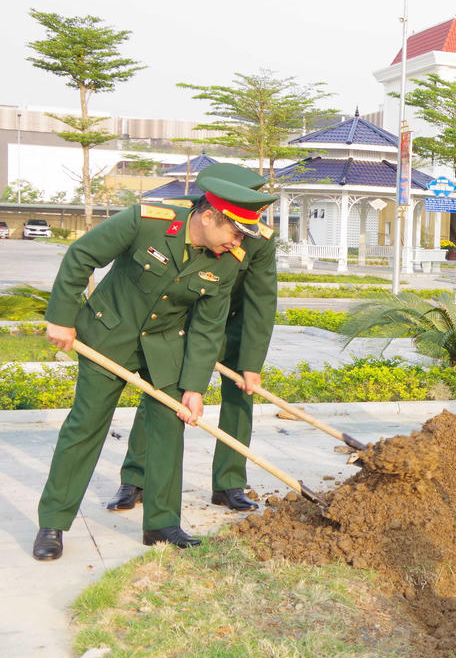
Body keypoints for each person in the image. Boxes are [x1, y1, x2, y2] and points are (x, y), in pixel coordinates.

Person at [33, 175, 276, 560]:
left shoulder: (228, 261)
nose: (239, 241)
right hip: (109, 333)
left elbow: (208, 325)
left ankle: (162, 525)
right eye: (235, 230)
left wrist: (194, 388)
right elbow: (82, 255)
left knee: (169, 425)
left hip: (165, 344)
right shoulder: (148, 220)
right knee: (86, 424)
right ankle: (53, 521)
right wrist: (61, 318)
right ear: (210, 216)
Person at [108, 163, 278, 514]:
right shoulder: (186, 214)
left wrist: (250, 363)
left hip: (230, 324)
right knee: (163, 391)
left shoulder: (260, 238)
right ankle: (136, 477)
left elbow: (261, 299)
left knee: (240, 395)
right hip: (184, 322)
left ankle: (229, 483)